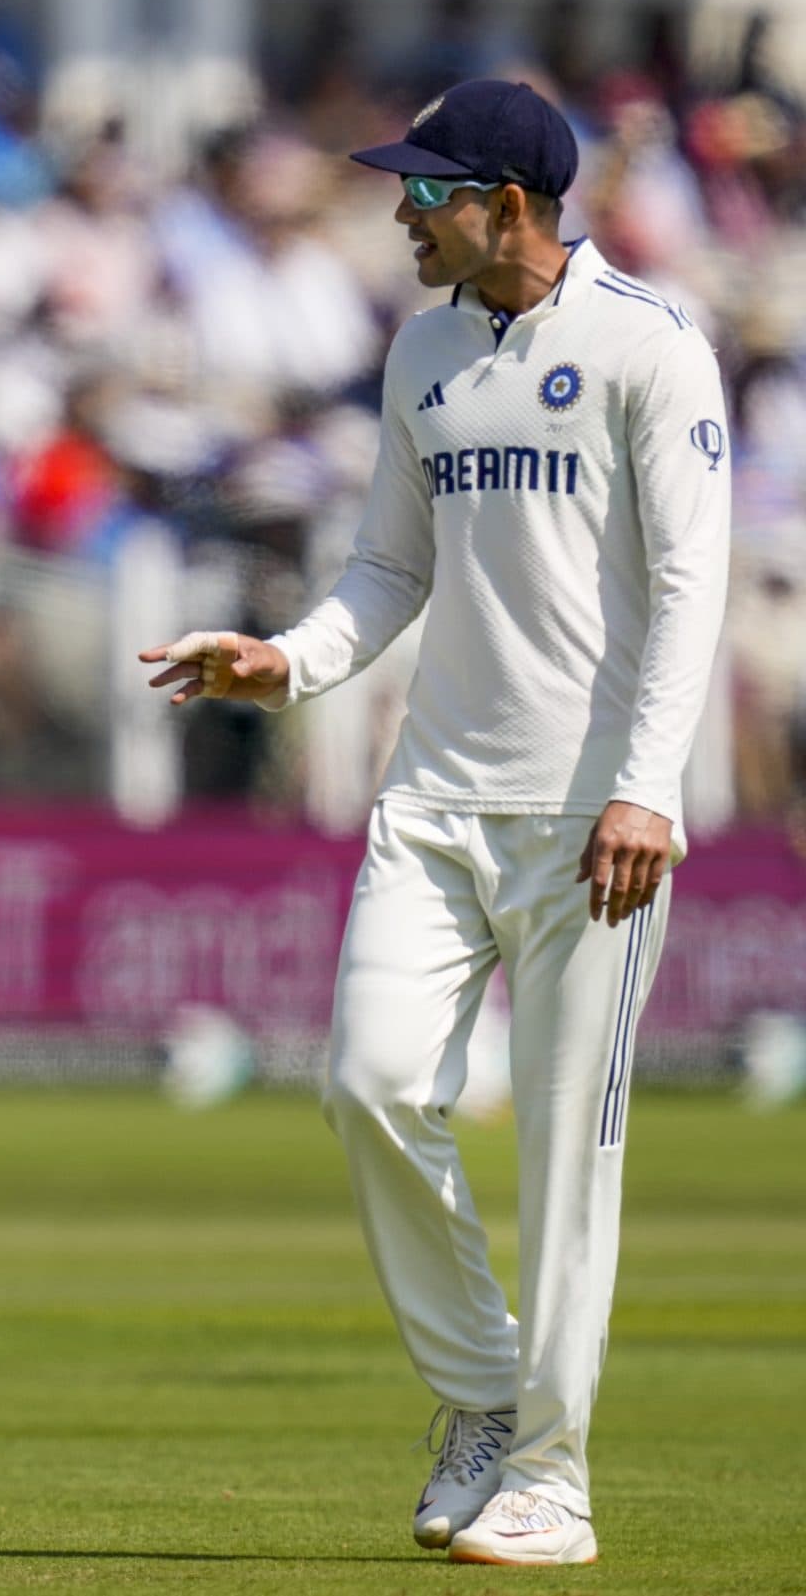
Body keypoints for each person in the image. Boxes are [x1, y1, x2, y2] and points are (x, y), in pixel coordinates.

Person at [141, 80, 731, 1567]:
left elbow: (689, 588)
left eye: (426, 192)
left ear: (508, 207)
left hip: (591, 811)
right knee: (369, 1080)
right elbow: (388, 570)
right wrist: (291, 658)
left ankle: (555, 1478)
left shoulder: (649, 349)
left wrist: (646, 783)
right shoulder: (421, 351)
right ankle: (484, 1389)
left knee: (566, 1157)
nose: (401, 212)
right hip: (436, 795)